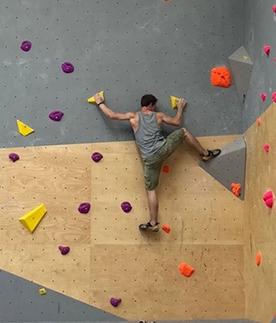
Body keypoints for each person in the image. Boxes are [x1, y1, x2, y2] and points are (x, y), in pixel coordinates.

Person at [94, 93, 220, 232]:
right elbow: (176, 122)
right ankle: (205, 154)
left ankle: (153, 223)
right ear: (151, 105)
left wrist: (100, 103)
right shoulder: (158, 116)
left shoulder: (133, 117)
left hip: (149, 159)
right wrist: (180, 108)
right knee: (183, 131)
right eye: (154, 105)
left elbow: (112, 115)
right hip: (163, 149)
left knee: (151, 190)